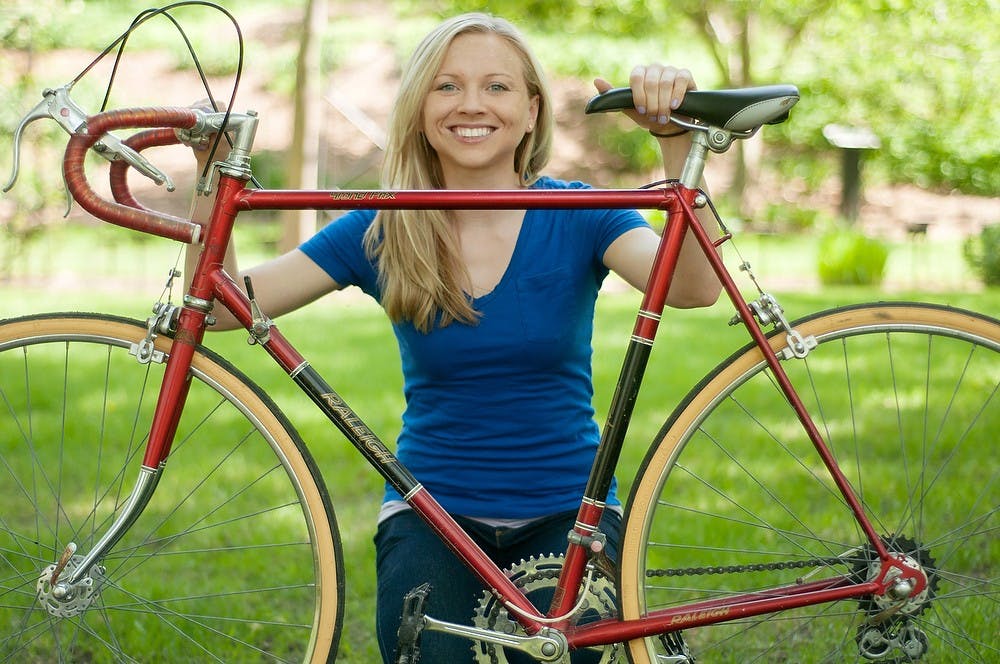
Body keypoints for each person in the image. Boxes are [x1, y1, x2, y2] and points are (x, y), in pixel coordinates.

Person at [186, 12, 720, 662]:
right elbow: (218, 308)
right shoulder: (384, 225)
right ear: (418, 110)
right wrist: (210, 175)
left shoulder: (582, 214)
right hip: (434, 516)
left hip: (569, 513)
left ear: (531, 112)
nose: (471, 104)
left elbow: (693, 286)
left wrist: (674, 144)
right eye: (447, 86)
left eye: (496, 88)